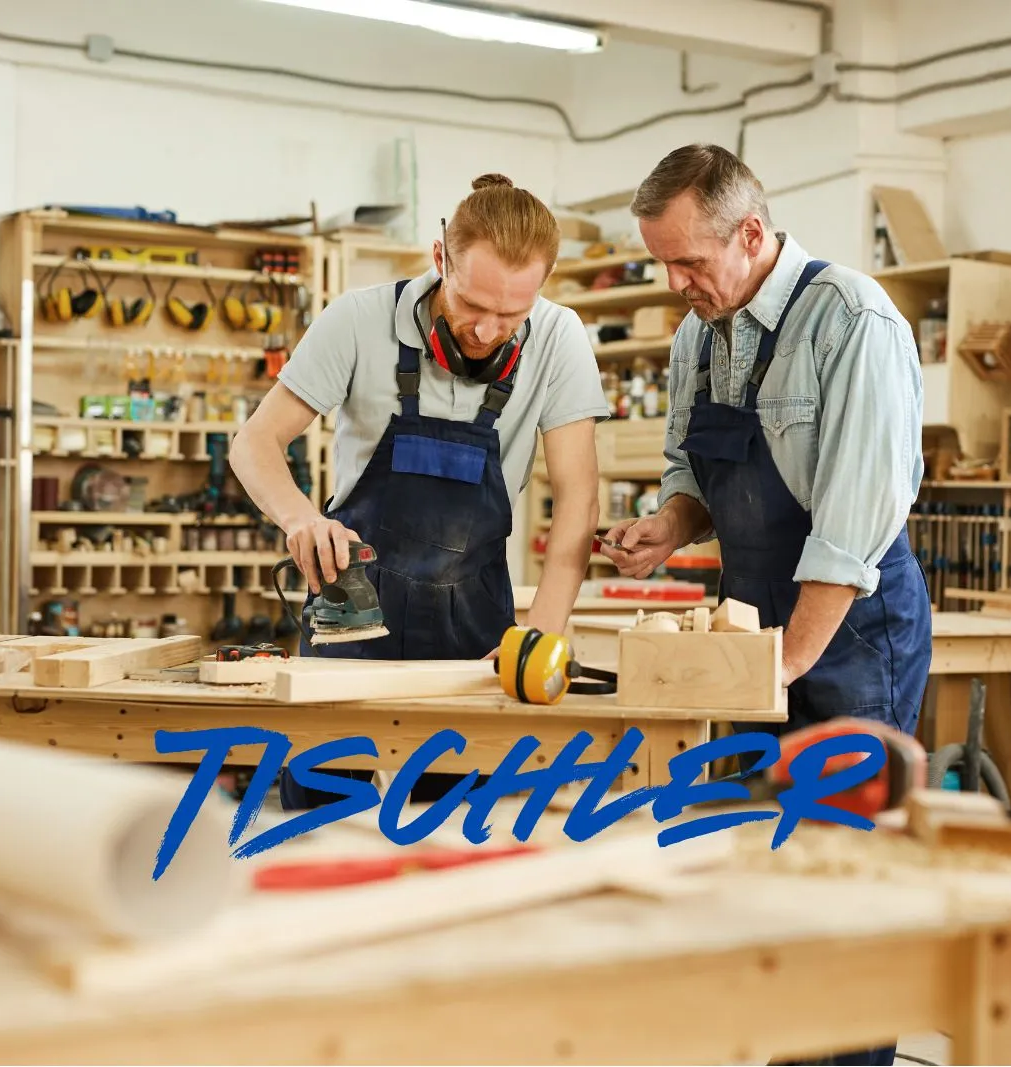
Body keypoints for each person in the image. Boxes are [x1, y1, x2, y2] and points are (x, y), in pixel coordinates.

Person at [602, 144, 930, 1067]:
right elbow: (691, 473)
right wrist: (667, 525)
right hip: (750, 624)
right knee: (749, 861)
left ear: (752, 233)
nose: (674, 284)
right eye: (661, 262)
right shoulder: (697, 337)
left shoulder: (852, 320)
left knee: (843, 873)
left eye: (690, 262)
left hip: (852, 631)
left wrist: (786, 666)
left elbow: (850, 527)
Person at [230, 173, 609, 809]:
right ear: (440, 260)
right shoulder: (358, 319)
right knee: (319, 828)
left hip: (475, 632)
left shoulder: (558, 336)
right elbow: (254, 444)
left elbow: (578, 500)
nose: (488, 331)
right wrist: (299, 519)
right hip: (353, 611)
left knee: (468, 831)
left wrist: (543, 629)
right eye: (472, 306)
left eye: (511, 313)